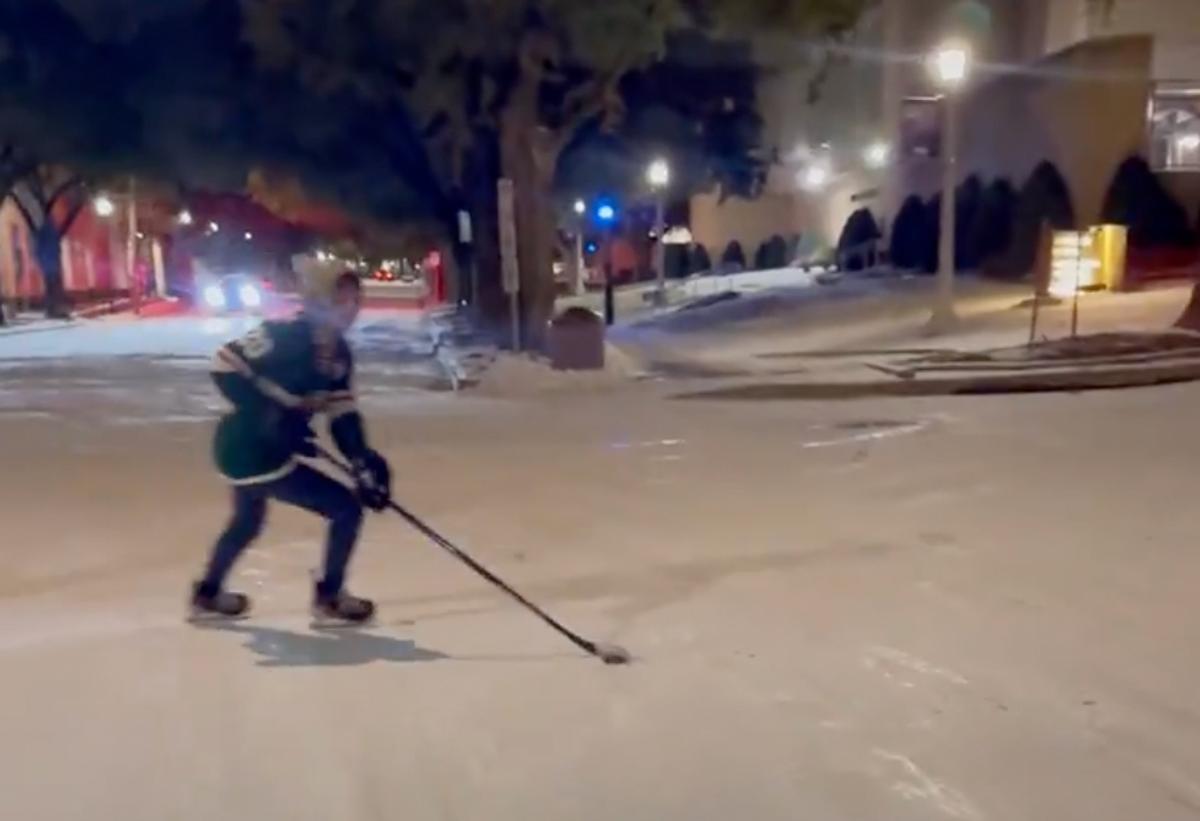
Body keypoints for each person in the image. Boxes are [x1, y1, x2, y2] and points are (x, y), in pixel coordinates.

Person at [190, 270, 391, 624]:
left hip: (260, 451)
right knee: (345, 509)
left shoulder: (338, 354)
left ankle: (207, 595)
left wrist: (361, 459)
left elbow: (341, 414)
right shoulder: (286, 335)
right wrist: (270, 415)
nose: (352, 308)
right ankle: (329, 598)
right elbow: (224, 363)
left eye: (356, 299)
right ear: (320, 302)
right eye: (342, 299)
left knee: (246, 522)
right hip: (251, 448)